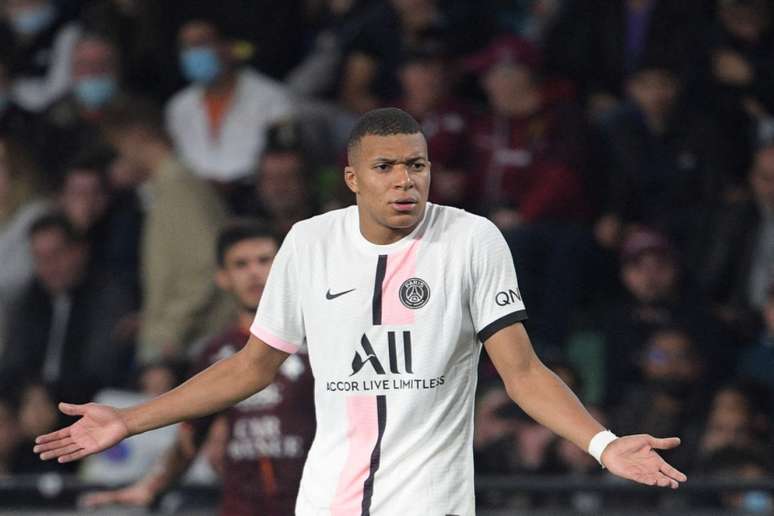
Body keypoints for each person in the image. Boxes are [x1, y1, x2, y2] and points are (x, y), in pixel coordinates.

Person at [34, 108, 686, 515]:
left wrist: (603, 445)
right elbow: (251, 367)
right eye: (386, 167)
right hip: (324, 503)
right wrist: (129, 421)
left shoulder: (471, 239)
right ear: (352, 177)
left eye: (418, 165)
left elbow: (522, 373)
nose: (406, 180)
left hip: (429, 503)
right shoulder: (308, 244)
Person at [82, 220, 315, 516]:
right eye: (241, 264)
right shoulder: (214, 353)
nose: (254, 272)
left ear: (283, 268)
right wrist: (150, 487)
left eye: (264, 260)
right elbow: (188, 440)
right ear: (222, 277)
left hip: (314, 505)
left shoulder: (317, 340)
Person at [99, 97, 235, 364]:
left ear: (136, 136)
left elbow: (204, 269)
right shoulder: (166, 187)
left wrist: (164, 335)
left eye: (118, 147)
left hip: (193, 348)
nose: (119, 159)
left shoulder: (177, 186)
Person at [0, 213, 135, 403]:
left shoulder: (108, 299)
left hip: (87, 409)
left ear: (79, 251)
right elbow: (12, 365)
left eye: (56, 255)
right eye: (39, 258)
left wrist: (48, 397)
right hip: (28, 408)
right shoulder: (27, 300)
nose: (49, 267)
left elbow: (101, 370)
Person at [165, 19, 293, 185]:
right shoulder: (177, 107)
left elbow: (283, 160)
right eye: (187, 47)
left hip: (252, 197)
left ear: (228, 47)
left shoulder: (272, 98)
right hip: (196, 201)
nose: (193, 53)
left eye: (201, 43)